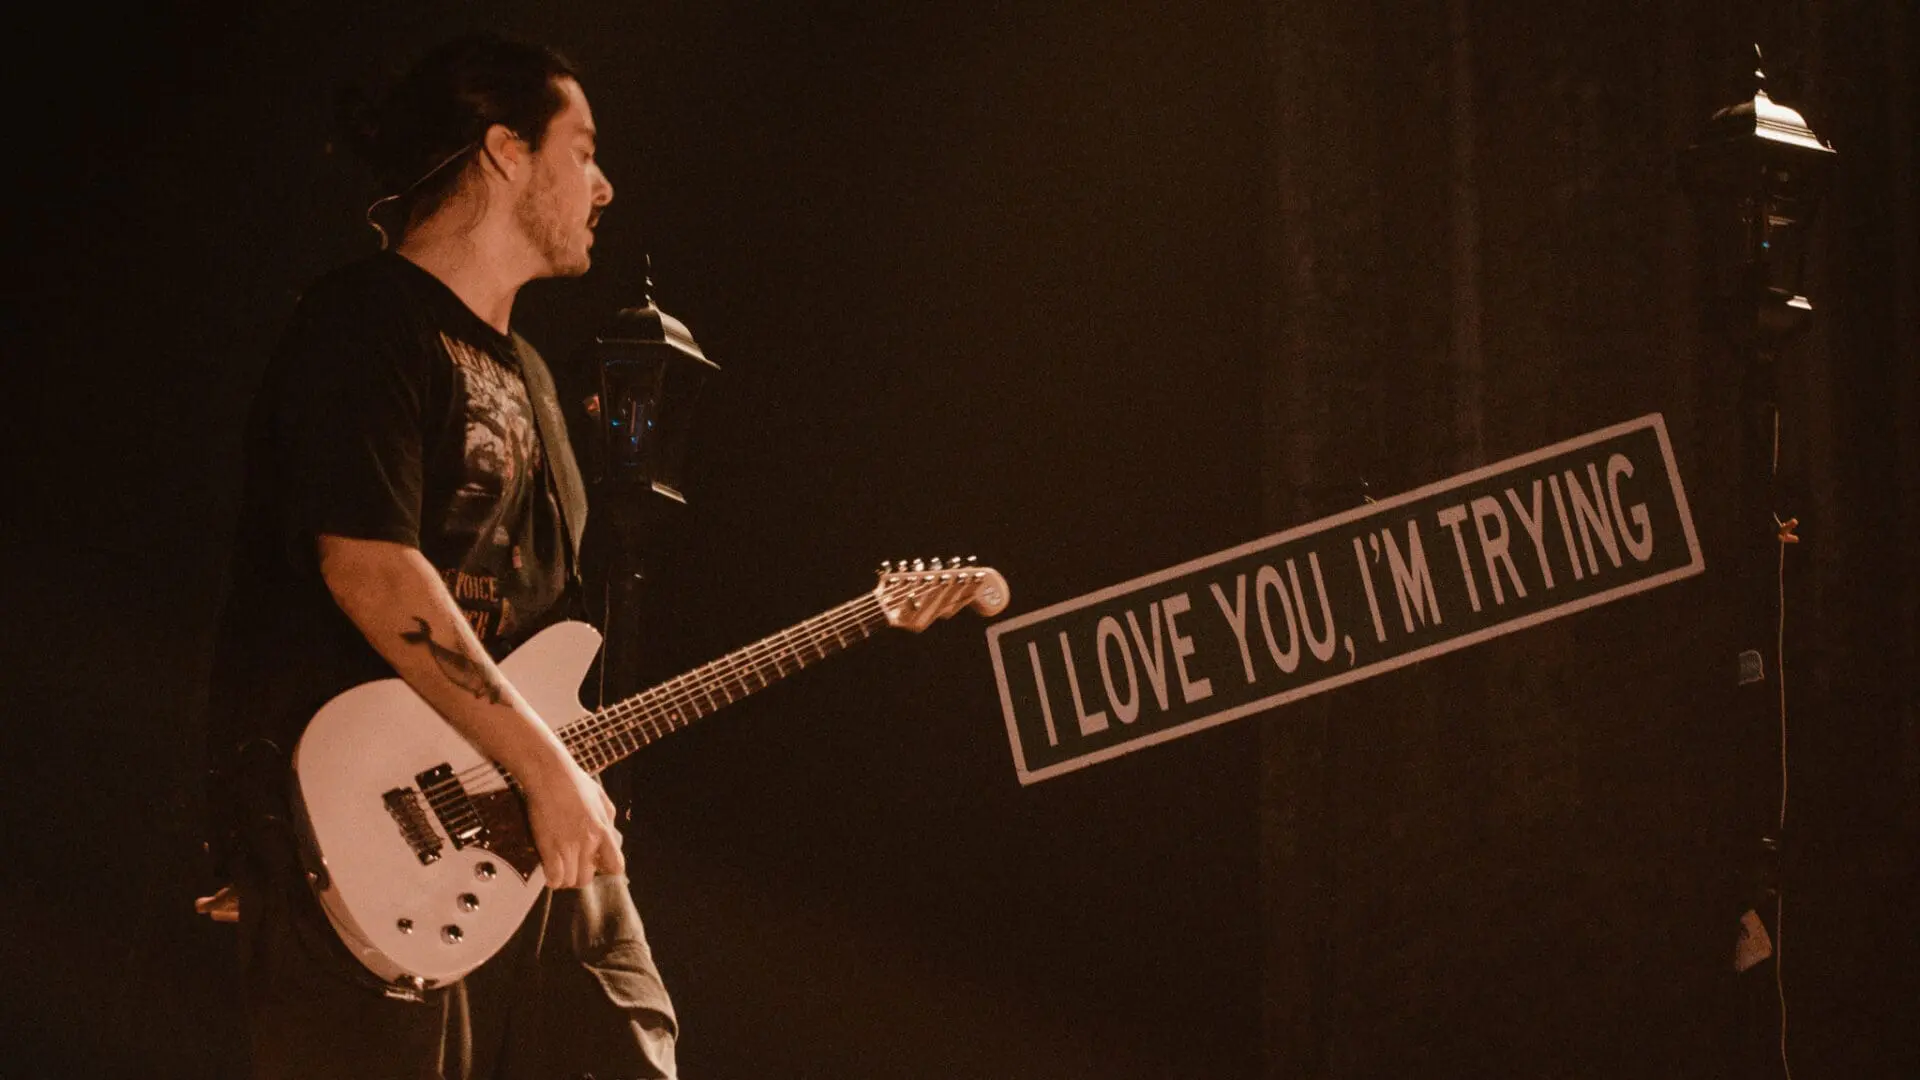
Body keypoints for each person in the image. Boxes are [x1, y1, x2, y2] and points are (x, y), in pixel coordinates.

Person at [204, 32, 678, 1079]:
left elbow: (544, 630)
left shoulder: (539, 380)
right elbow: (372, 568)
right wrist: (543, 765)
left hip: (528, 827)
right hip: (365, 840)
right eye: (582, 150)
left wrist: (557, 767)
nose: (604, 185)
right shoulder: (366, 321)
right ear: (507, 150)